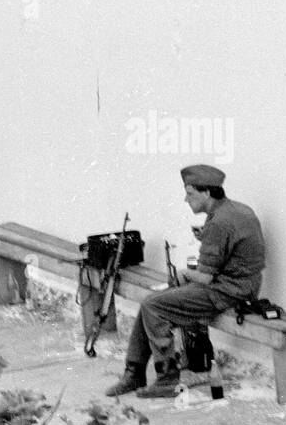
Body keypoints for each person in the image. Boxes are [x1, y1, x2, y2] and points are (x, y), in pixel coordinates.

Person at [106, 165, 265, 398]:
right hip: (243, 284)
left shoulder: (219, 222)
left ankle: (166, 379)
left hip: (229, 291)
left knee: (153, 305)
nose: (185, 199)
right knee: (152, 302)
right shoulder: (235, 210)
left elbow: (205, 276)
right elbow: (230, 248)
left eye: (190, 193)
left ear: (207, 193)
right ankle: (135, 373)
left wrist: (184, 274)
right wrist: (207, 239)